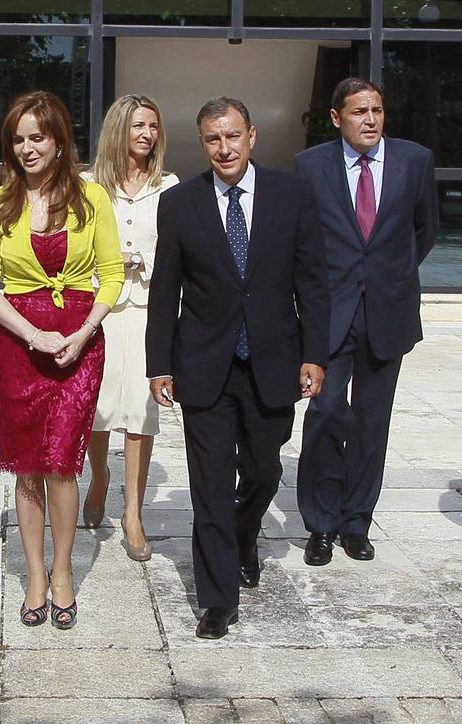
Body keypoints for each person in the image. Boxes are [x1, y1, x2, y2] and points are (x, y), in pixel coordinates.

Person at [146, 97, 327, 640]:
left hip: (273, 361)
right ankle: (218, 597)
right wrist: (160, 364)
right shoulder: (180, 203)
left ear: (251, 136)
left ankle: (244, 533)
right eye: (211, 139)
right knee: (209, 484)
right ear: (201, 143)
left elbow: (312, 283)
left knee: (265, 471)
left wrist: (314, 355)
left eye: (231, 136)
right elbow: (165, 291)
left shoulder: (292, 195)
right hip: (204, 366)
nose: (223, 148)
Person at [0, 91, 123, 631]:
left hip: (80, 343)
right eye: (18, 138)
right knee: (26, 464)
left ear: (60, 141)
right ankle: (34, 574)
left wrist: (82, 333)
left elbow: (113, 276)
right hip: (18, 342)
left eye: (38, 136)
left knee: (62, 462)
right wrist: (32, 333)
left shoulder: (92, 199)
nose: (27, 147)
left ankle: (63, 572)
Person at [291, 77, 438, 567]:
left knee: (373, 422)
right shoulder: (310, 167)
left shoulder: (414, 161)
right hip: (329, 315)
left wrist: (391, 275)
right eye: (358, 112)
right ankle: (320, 523)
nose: (370, 119)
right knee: (327, 413)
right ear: (337, 119)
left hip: (387, 313)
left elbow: (425, 230)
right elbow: (303, 241)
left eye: (377, 109)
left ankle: (356, 522)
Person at [81, 94, 178, 562]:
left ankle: (133, 511)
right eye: (139, 125)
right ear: (119, 129)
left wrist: (141, 259)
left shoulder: (170, 186)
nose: (147, 134)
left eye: (153, 127)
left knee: (142, 412)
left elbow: (180, 253)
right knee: (96, 409)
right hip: (98, 309)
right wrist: (106, 264)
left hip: (148, 310)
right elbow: (72, 252)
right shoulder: (86, 186)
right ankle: (98, 479)